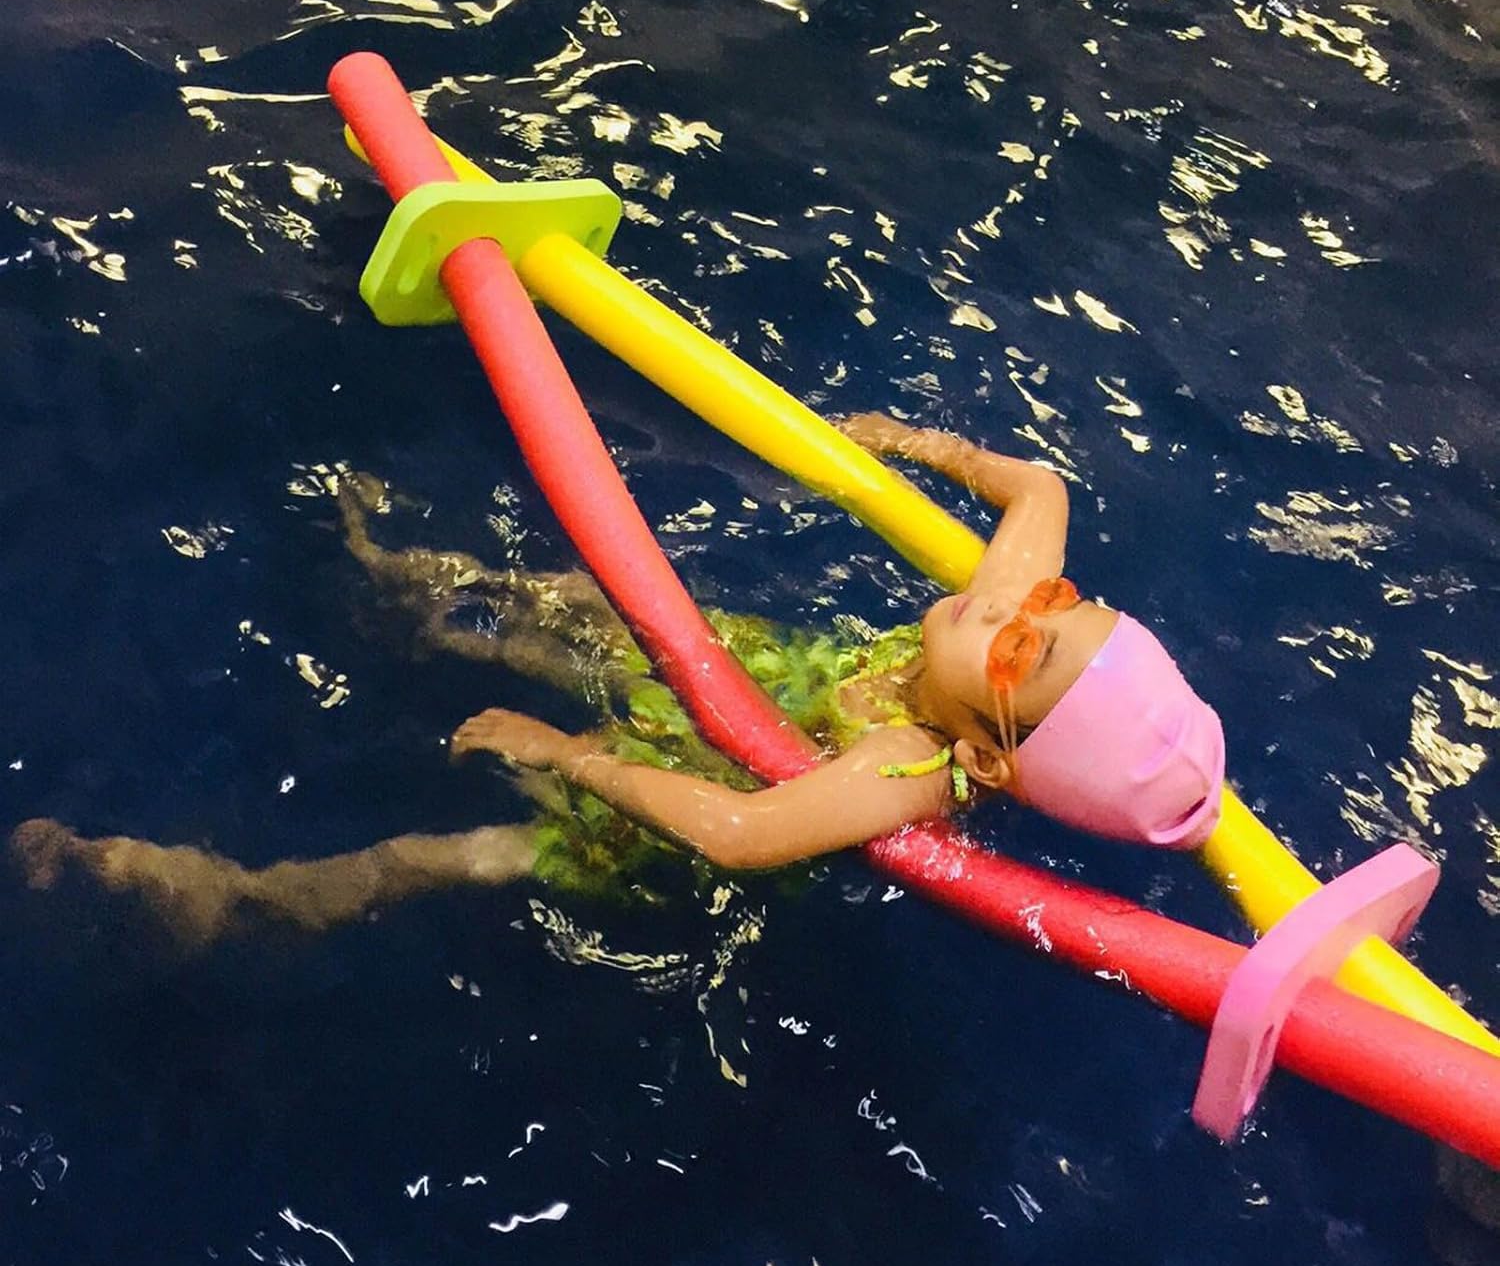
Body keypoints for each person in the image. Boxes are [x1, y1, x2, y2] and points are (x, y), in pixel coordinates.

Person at [10, 414, 1224, 946]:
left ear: (989, 759)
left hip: (682, 796)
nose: (1015, 601)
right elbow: (1043, 492)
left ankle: (225, 893)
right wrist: (917, 448)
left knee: (446, 856)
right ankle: (400, 586)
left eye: (1024, 641)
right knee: (573, 602)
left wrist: (573, 757)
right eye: (1057, 601)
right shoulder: (995, 642)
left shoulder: (909, 769)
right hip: (775, 678)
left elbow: (741, 835)